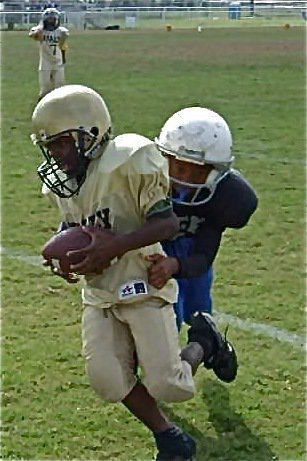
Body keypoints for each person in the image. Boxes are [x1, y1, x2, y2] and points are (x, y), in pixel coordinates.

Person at [31, 85, 233, 461]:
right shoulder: (66, 182)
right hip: (100, 292)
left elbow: (167, 224)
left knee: (169, 385)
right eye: (50, 146)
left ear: (89, 133)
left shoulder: (129, 160)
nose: (56, 155)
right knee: (107, 380)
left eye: (61, 144)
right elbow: (74, 223)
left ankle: (205, 344)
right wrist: (62, 250)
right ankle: (170, 437)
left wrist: (112, 246)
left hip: (142, 284)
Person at [147, 107, 258, 381]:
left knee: (198, 315)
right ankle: (169, 367)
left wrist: (176, 264)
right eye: (180, 167)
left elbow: (204, 255)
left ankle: (208, 345)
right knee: (164, 324)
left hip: (190, 259)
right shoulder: (145, 182)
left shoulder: (224, 198)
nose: (185, 178)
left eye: (198, 173)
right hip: (154, 258)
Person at [29, 7, 69, 100]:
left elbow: (63, 46)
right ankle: (42, 105)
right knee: (45, 86)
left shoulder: (61, 31)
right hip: (45, 61)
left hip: (58, 60)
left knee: (60, 85)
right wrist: (40, 28)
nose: (52, 21)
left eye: (53, 19)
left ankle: (59, 105)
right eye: (50, 19)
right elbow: (32, 35)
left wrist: (63, 58)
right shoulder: (40, 31)